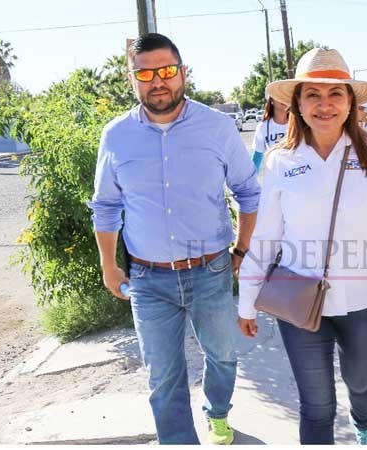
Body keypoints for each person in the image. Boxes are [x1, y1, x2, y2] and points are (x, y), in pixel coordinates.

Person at [237, 48, 367, 445]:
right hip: (298, 300)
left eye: (335, 94)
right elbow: (266, 237)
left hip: (366, 300)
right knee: (317, 405)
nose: (325, 105)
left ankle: (363, 424)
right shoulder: (280, 161)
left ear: (351, 102)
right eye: (313, 95)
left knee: (360, 382)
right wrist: (247, 300)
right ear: (297, 105)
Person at [87, 33, 260, 445]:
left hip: (210, 270)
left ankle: (218, 411)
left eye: (166, 70)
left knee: (223, 357)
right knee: (162, 376)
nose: (158, 81)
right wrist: (109, 265)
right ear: (132, 79)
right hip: (148, 280)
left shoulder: (217, 127)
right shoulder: (116, 135)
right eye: (145, 74)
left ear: (183, 73)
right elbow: (106, 205)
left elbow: (249, 192)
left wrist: (243, 248)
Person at [251, 91, 289, 170]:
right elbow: (257, 158)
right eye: (278, 95)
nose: (283, 98)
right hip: (274, 175)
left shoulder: (299, 124)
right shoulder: (263, 127)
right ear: (271, 100)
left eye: (285, 94)